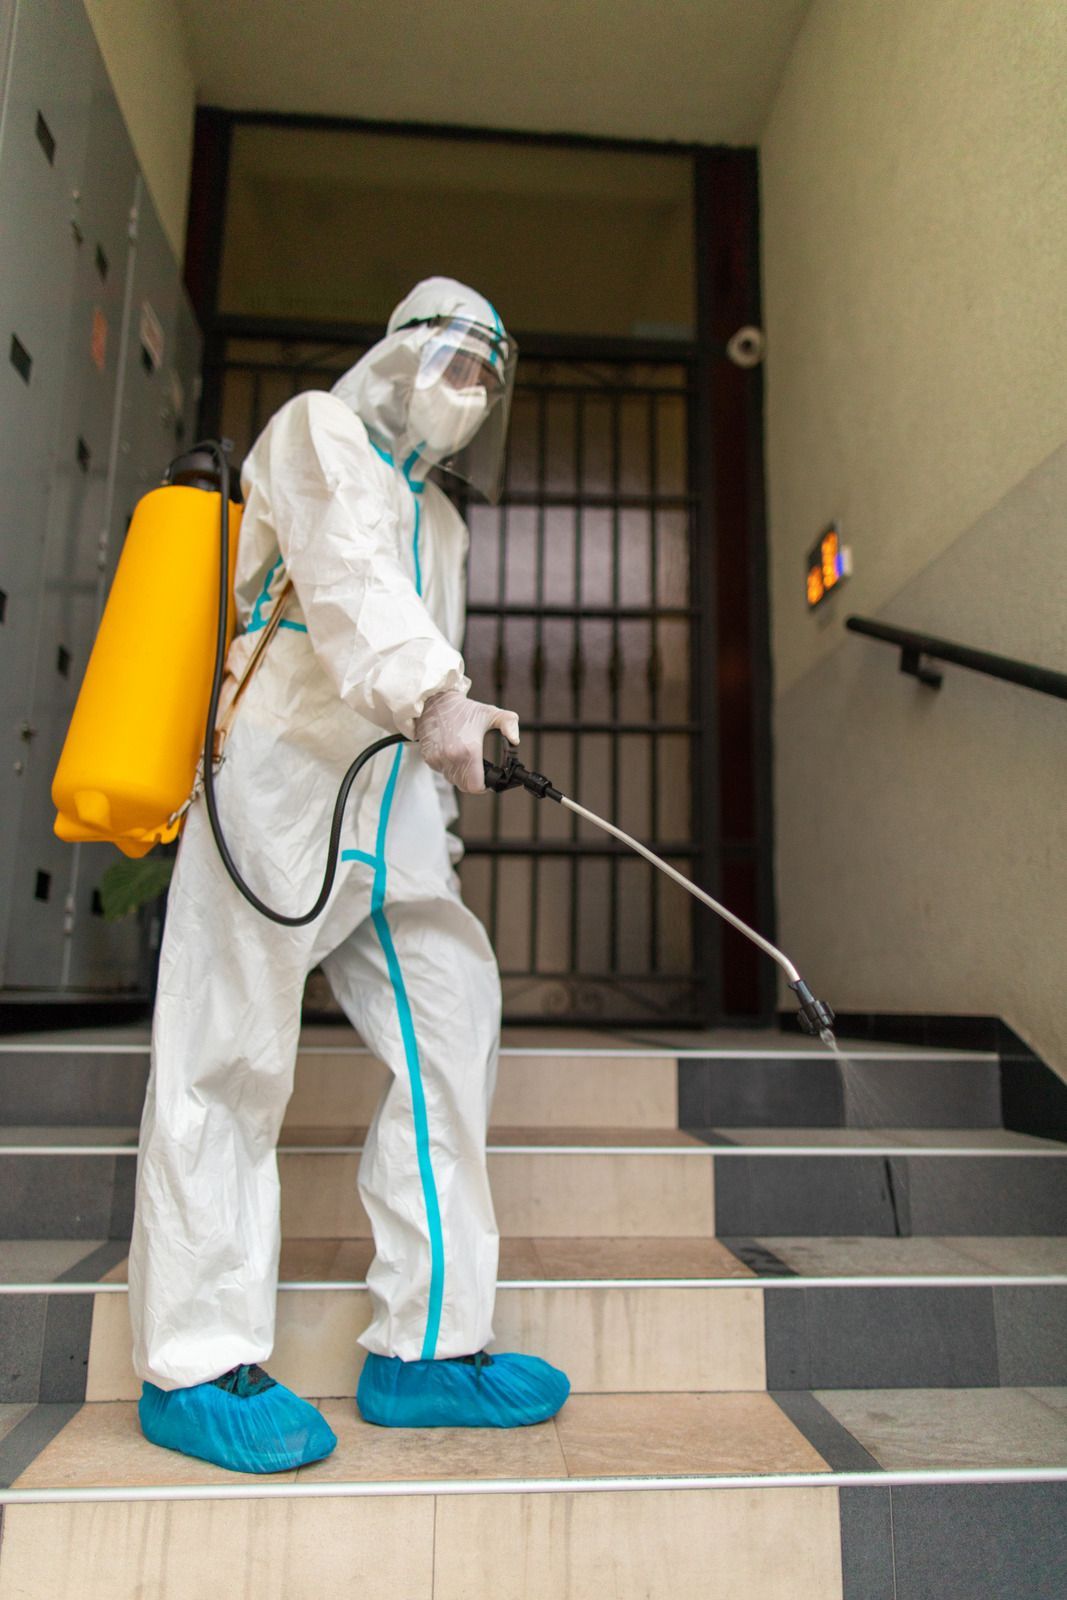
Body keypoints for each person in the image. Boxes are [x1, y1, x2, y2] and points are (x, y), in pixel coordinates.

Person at [129, 278, 570, 1473]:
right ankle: (196, 1359)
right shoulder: (315, 430)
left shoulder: (448, 522)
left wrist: (441, 779)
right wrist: (436, 696)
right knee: (226, 1053)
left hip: (391, 803)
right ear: (400, 355)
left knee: (451, 1020)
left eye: (487, 377)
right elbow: (349, 592)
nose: (468, 393)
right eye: (453, 366)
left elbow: (431, 649)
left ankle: (427, 1344)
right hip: (274, 776)